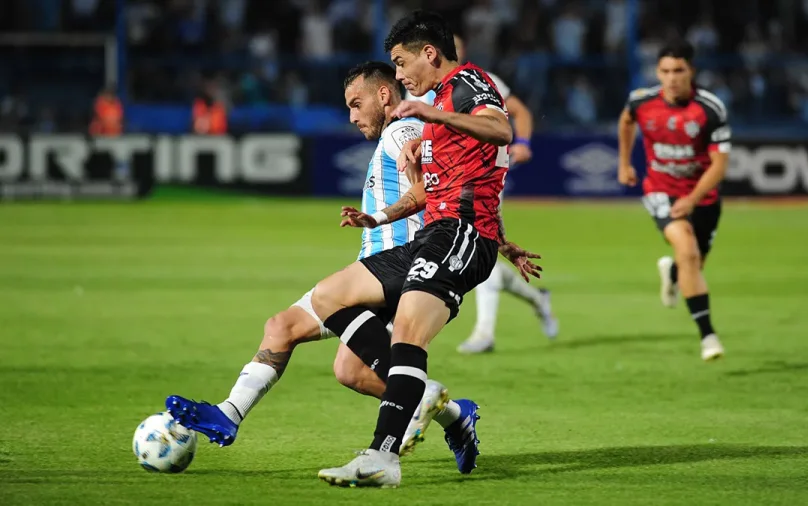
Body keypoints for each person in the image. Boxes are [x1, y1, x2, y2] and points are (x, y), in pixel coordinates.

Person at [165, 61, 481, 468]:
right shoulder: (396, 134)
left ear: (384, 95)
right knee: (315, 349)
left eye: (356, 104)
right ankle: (455, 414)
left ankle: (426, 402)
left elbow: (437, 184)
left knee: (323, 328)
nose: (351, 116)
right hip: (374, 267)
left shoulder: (403, 131)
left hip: (401, 266)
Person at [315, 10, 542, 488]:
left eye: (400, 63)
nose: (398, 75)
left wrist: (434, 116)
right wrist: (375, 217)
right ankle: (443, 415)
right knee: (328, 297)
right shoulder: (439, 107)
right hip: (442, 233)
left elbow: (502, 130)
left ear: (429, 54)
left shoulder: (466, 83)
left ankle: (382, 457)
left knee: (407, 337)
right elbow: (435, 192)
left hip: (458, 234)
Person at [406, 32, 558, 354]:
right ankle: (537, 298)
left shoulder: (479, 82)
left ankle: (483, 332)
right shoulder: (419, 89)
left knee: (472, 240)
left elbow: (518, 114)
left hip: (475, 176)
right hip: (437, 183)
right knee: (477, 252)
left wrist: (525, 144)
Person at [617, 40, 729, 362]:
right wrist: (624, 162)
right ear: (657, 72)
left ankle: (674, 274)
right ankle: (708, 336)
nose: (671, 78)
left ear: (691, 71)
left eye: (679, 71)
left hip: (702, 196)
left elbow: (720, 165)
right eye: (665, 71)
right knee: (688, 249)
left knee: (694, 263)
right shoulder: (641, 101)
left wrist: (693, 199)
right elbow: (626, 122)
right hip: (660, 190)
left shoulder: (710, 109)